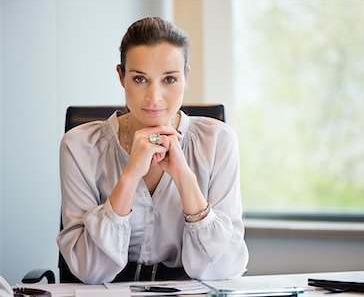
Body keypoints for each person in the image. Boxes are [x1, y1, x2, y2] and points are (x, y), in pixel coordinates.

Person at [56, 17, 249, 285]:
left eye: (169, 79)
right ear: (122, 77)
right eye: (140, 79)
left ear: (186, 77)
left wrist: (184, 177)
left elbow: (224, 267)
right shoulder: (78, 146)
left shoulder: (218, 141)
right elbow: (89, 271)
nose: (154, 97)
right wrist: (130, 176)